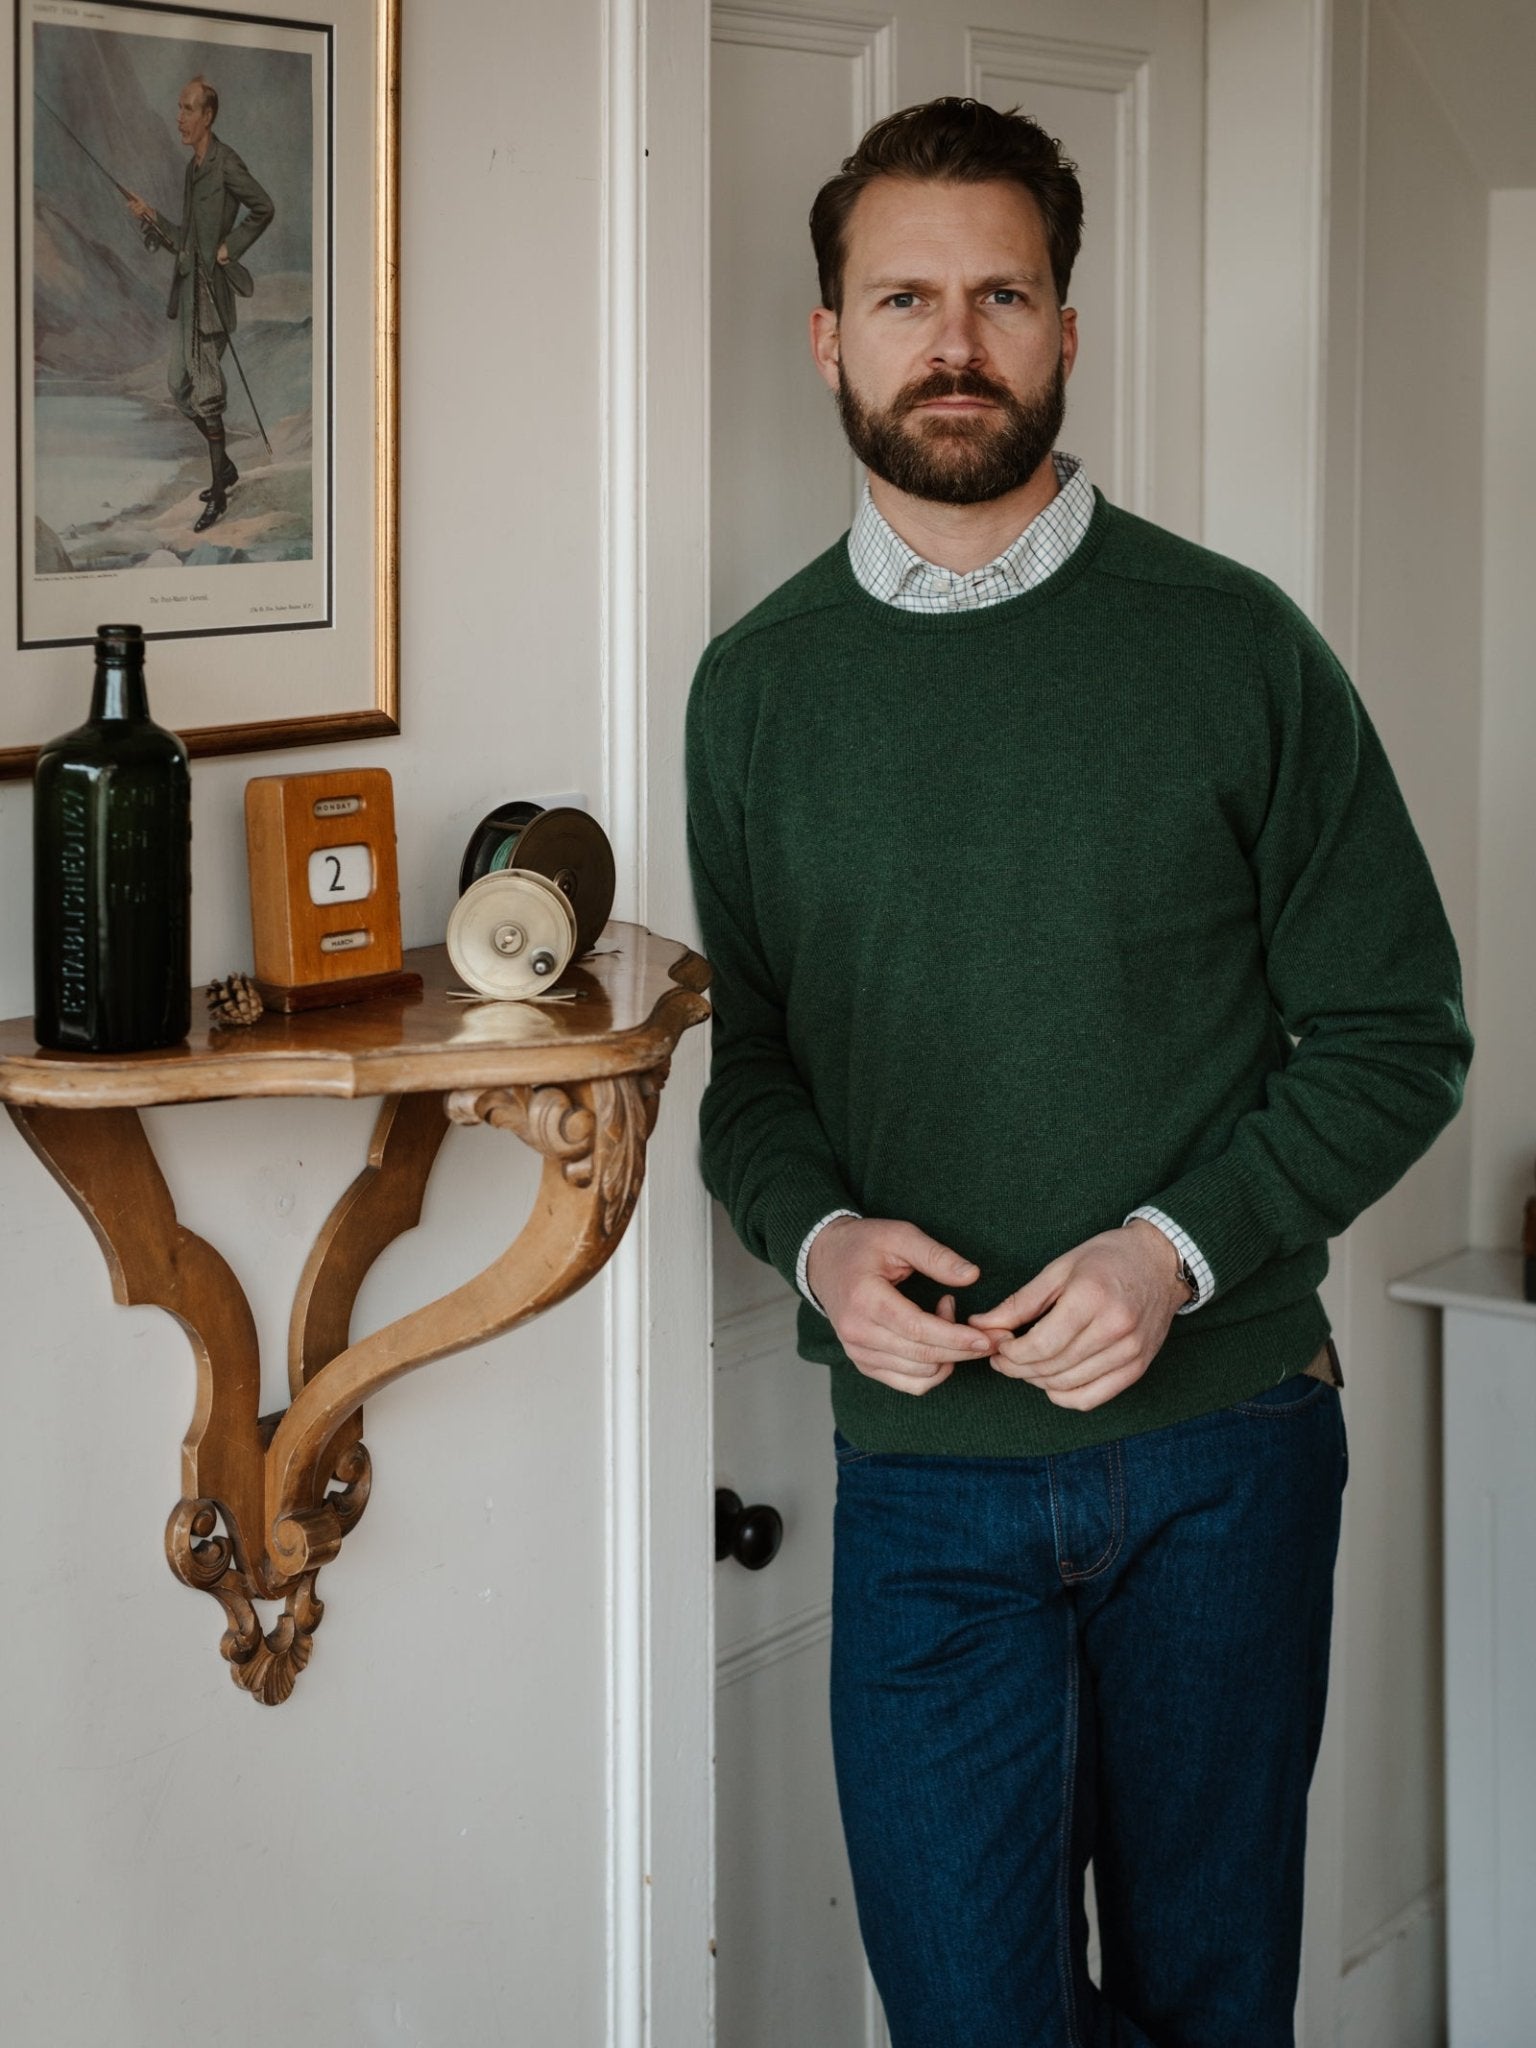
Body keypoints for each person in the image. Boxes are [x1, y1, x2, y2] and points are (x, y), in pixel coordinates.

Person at [686, 98, 1471, 2048]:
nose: (953, 342)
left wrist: (1171, 1255)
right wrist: (821, 1239)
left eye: (1000, 295)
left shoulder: (1233, 649)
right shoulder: (759, 687)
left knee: (1215, 2005)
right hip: (926, 1491)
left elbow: (1399, 1032)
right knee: (970, 2016)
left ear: (1066, 329)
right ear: (829, 336)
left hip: (1226, 1462)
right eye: (902, 298)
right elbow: (757, 1070)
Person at [126, 77, 273, 534]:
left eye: (188, 109)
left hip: (211, 299)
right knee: (177, 386)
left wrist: (231, 246)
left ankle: (220, 496)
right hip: (188, 295)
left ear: (207, 116)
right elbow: (187, 241)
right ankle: (224, 467)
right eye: (179, 108)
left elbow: (263, 207)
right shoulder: (193, 168)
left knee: (208, 395)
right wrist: (152, 217)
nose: (180, 118)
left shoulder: (226, 163)